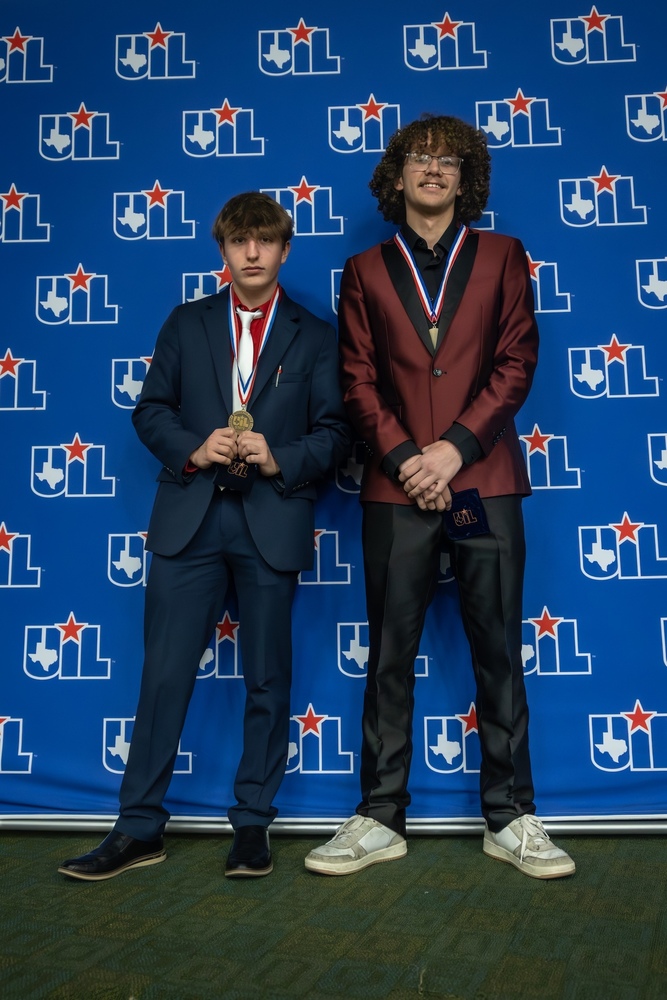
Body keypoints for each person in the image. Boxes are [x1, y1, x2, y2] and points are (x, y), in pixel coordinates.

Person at [305, 114, 575, 880]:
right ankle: (379, 816)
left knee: (499, 653)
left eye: (448, 160)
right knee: (389, 656)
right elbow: (355, 379)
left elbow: (516, 362)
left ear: (466, 177)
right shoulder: (363, 269)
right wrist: (403, 459)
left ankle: (512, 817)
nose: (433, 169)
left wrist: (452, 449)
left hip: (483, 481)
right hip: (395, 491)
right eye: (419, 157)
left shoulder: (501, 256)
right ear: (396, 176)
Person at [59, 191, 350, 881]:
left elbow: (336, 431)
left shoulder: (314, 335)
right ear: (221, 250)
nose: (251, 253)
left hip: (271, 518)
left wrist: (281, 456)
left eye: (265, 241)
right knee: (162, 676)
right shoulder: (186, 324)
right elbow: (150, 410)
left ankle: (252, 826)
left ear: (284, 249)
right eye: (239, 241)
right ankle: (138, 828)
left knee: (266, 678)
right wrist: (195, 447)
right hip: (190, 517)